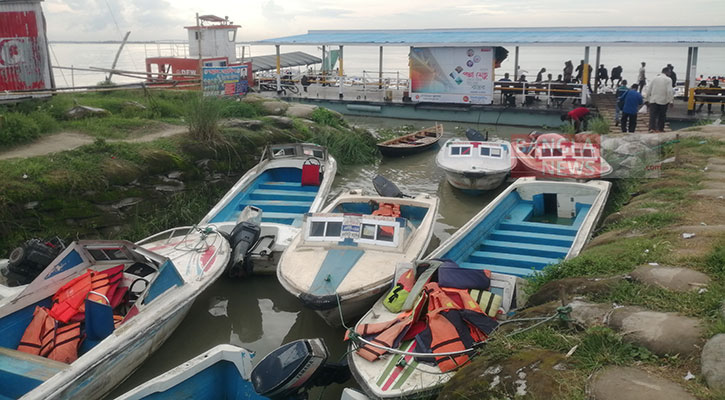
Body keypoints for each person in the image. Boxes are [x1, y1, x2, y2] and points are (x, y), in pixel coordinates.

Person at [644, 67, 674, 133]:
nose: (670, 73)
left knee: (653, 115)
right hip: (663, 101)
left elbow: (649, 89)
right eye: (669, 72)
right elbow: (669, 91)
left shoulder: (654, 78)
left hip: (653, 100)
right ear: (667, 72)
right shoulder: (668, 80)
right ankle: (660, 129)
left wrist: (646, 99)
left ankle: (652, 128)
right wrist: (671, 101)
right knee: (662, 116)